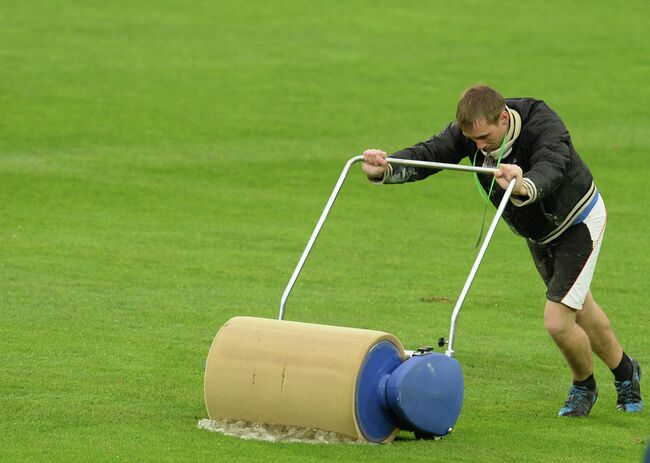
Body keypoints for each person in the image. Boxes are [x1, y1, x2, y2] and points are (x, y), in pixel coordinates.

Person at [362, 85, 642, 417]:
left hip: (578, 222)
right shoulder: (473, 133)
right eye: (473, 140)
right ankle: (626, 372)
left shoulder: (542, 122)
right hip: (538, 233)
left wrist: (525, 183)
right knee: (580, 308)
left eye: (484, 138)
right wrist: (387, 167)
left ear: (504, 119)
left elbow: (554, 162)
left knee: (557, 320)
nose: (478, 147)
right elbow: (432, 153)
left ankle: (584, 386)